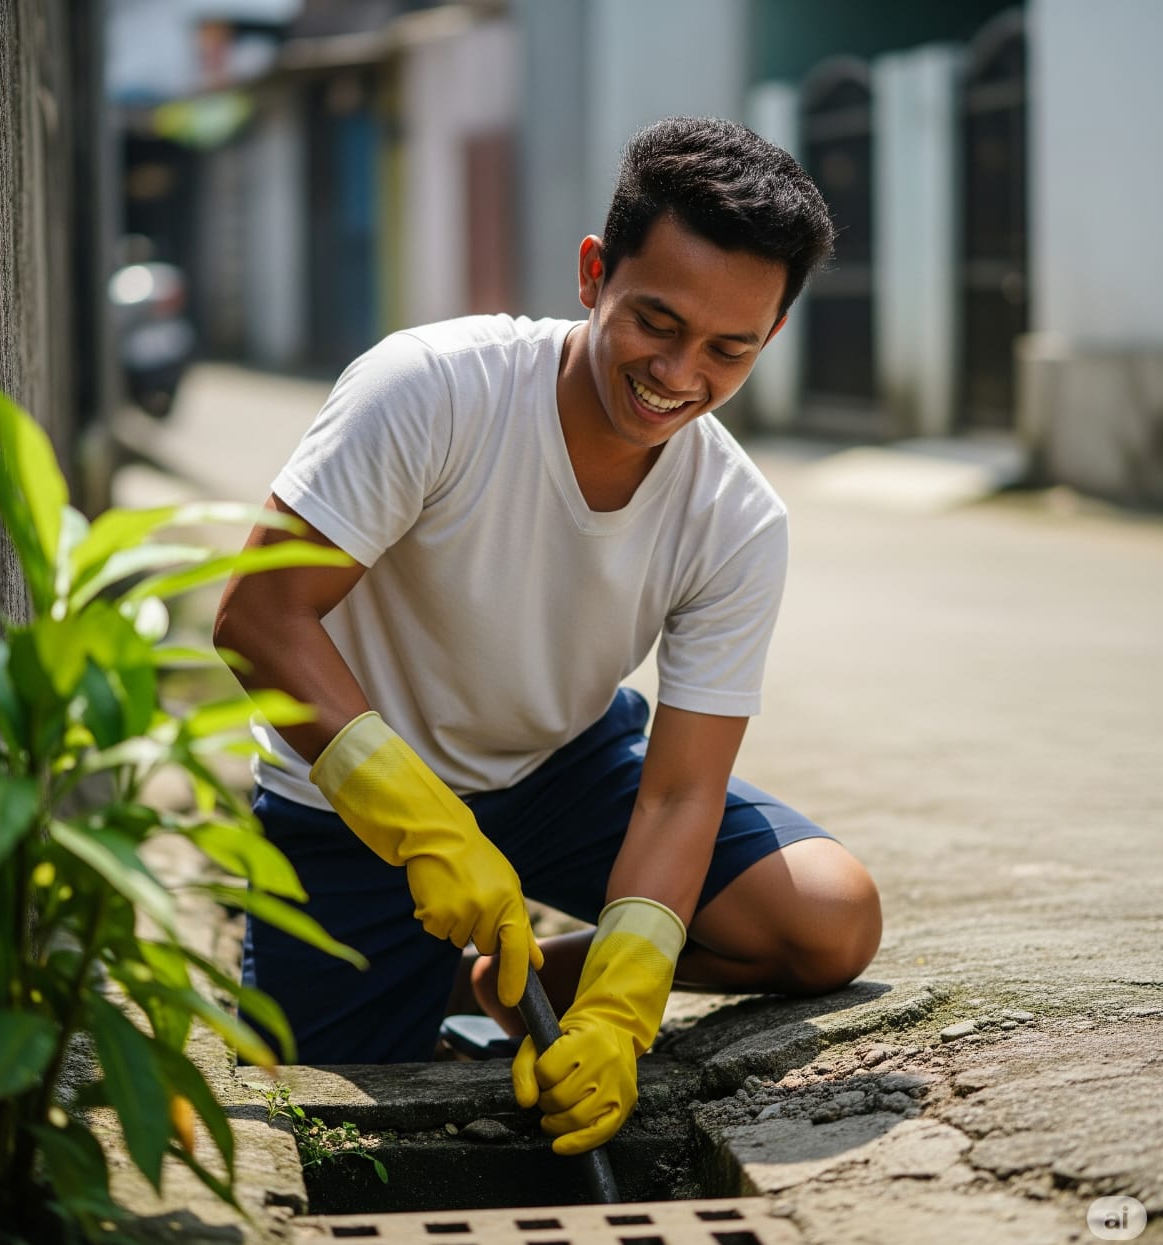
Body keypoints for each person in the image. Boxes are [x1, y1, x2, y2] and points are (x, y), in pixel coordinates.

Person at [214, 115, 882, 1157]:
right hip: (349, 800)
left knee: (829, 920)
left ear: (770, 337)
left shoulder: (736, 518)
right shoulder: (432, 388)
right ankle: (420, 961)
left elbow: (678, 791)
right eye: (654, 321)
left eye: (726, 348)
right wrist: (425, 830)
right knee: (331, 1121)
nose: (678, 373)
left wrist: (621, 1005)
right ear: (590, 274)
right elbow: (256, 615)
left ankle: (519, 973)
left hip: (560, 764)